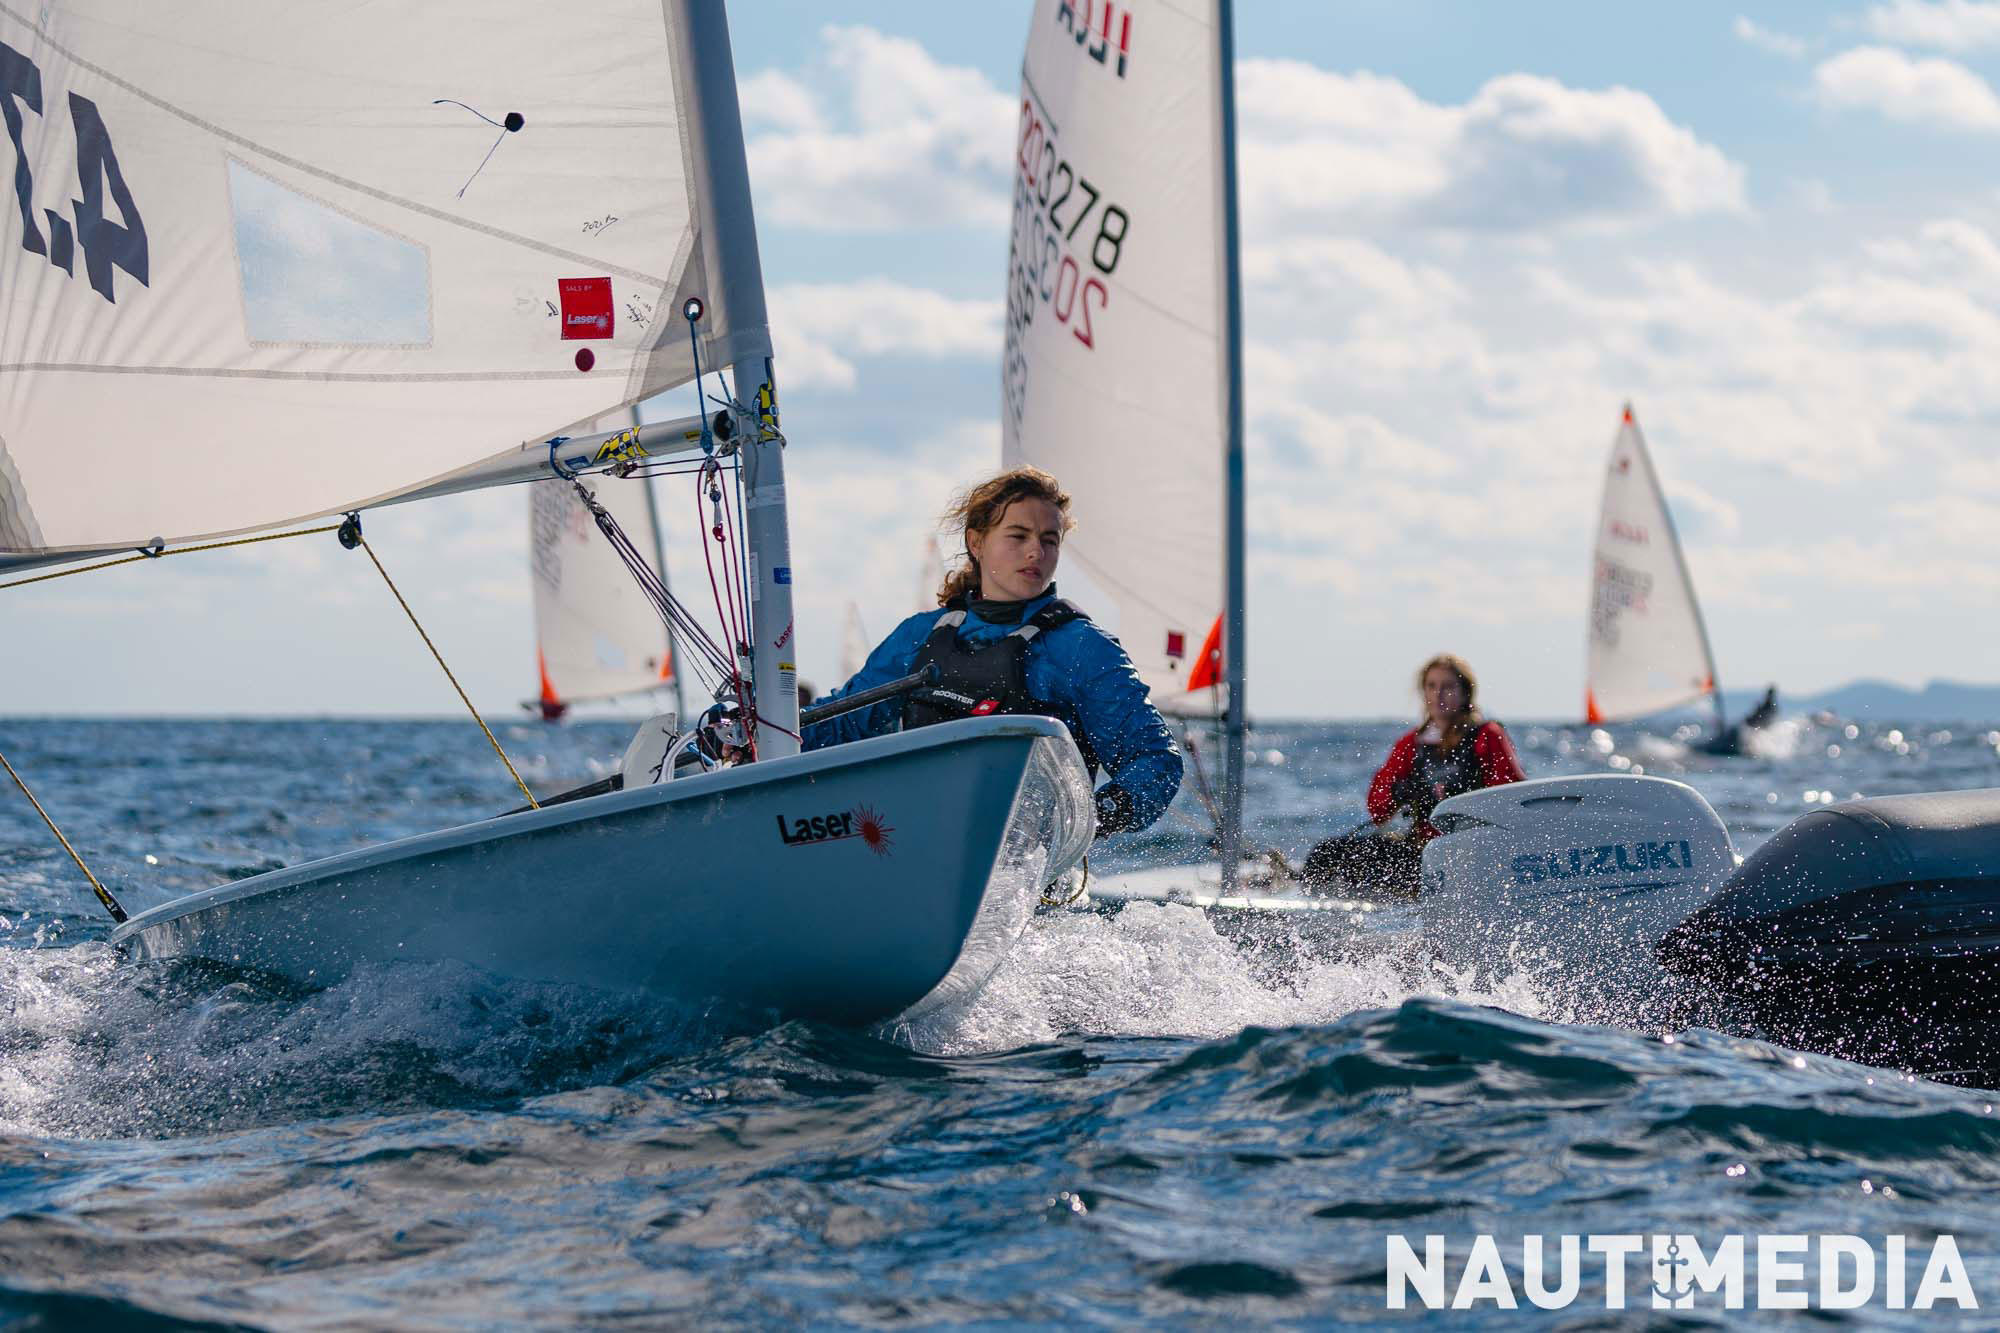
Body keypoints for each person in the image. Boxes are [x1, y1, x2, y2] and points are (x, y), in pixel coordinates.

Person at [803, 466, 1181, 837]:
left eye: (1050, 540)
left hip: (1030, 867)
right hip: (921, 844)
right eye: (1018, 536)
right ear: (976, 542)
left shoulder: (1083, 647)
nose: (1036, 551)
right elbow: (843, 723)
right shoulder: (918, 636)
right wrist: (770, 728)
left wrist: (1093, 819)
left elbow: (1155, 758)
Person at [1302, 653, 1525, 896]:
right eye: (1432, 686)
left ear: (1465, 693)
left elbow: (1511, 795)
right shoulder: (1410, 744)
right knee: (1327, 852)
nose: (1438, 694)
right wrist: (1398, 790)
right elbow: (1377, 810)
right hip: (1423, 853)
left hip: (1474, 852)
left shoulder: (1486, 736)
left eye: (1448, 687)